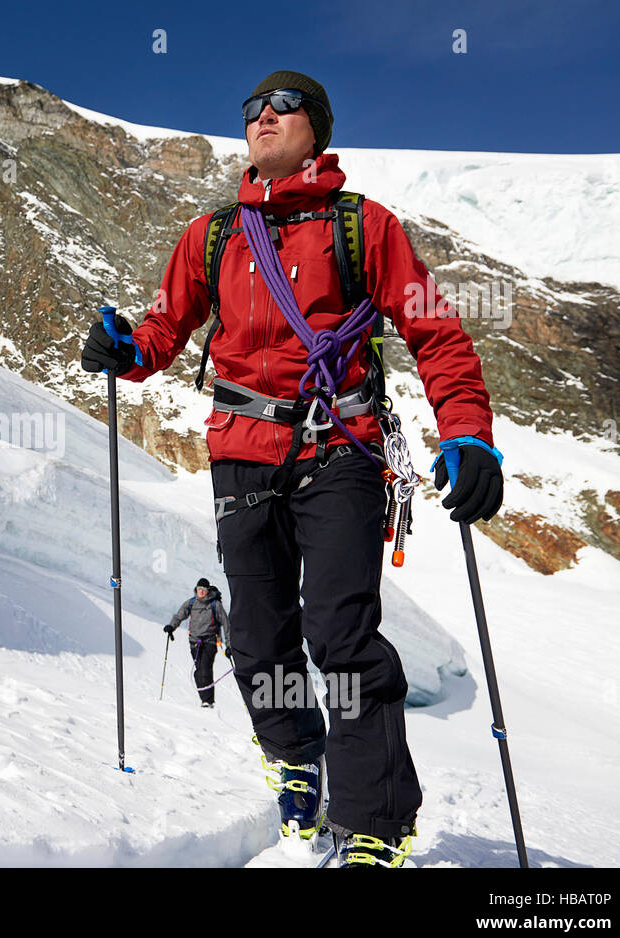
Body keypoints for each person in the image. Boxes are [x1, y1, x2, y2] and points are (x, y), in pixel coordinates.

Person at [80, 71, 502, 868]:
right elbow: (166, 327)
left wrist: (468, 434)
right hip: (241, 452)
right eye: (249, 110)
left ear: (317, 126)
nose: (260, 118)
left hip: (339, 446)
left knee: (340, 633)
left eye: (280, 105)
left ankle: (374, 821)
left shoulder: (363, 226)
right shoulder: (213, 235)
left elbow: (436, 332)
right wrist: (126, 350)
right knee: (260, 641)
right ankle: (295, 760)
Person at [164, 578, 229, 708]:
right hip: (194, 642)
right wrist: (171, 626)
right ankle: (205, 699)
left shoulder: (215, 605)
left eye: (203, 589)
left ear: (208, 590)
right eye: (199, 589)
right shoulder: (191, 603)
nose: (201, 591)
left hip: (210, 641)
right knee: (198, 671)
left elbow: (226, 624)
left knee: (205, 669)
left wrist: (229, 645)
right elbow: (179, 616)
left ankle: (208, 701)